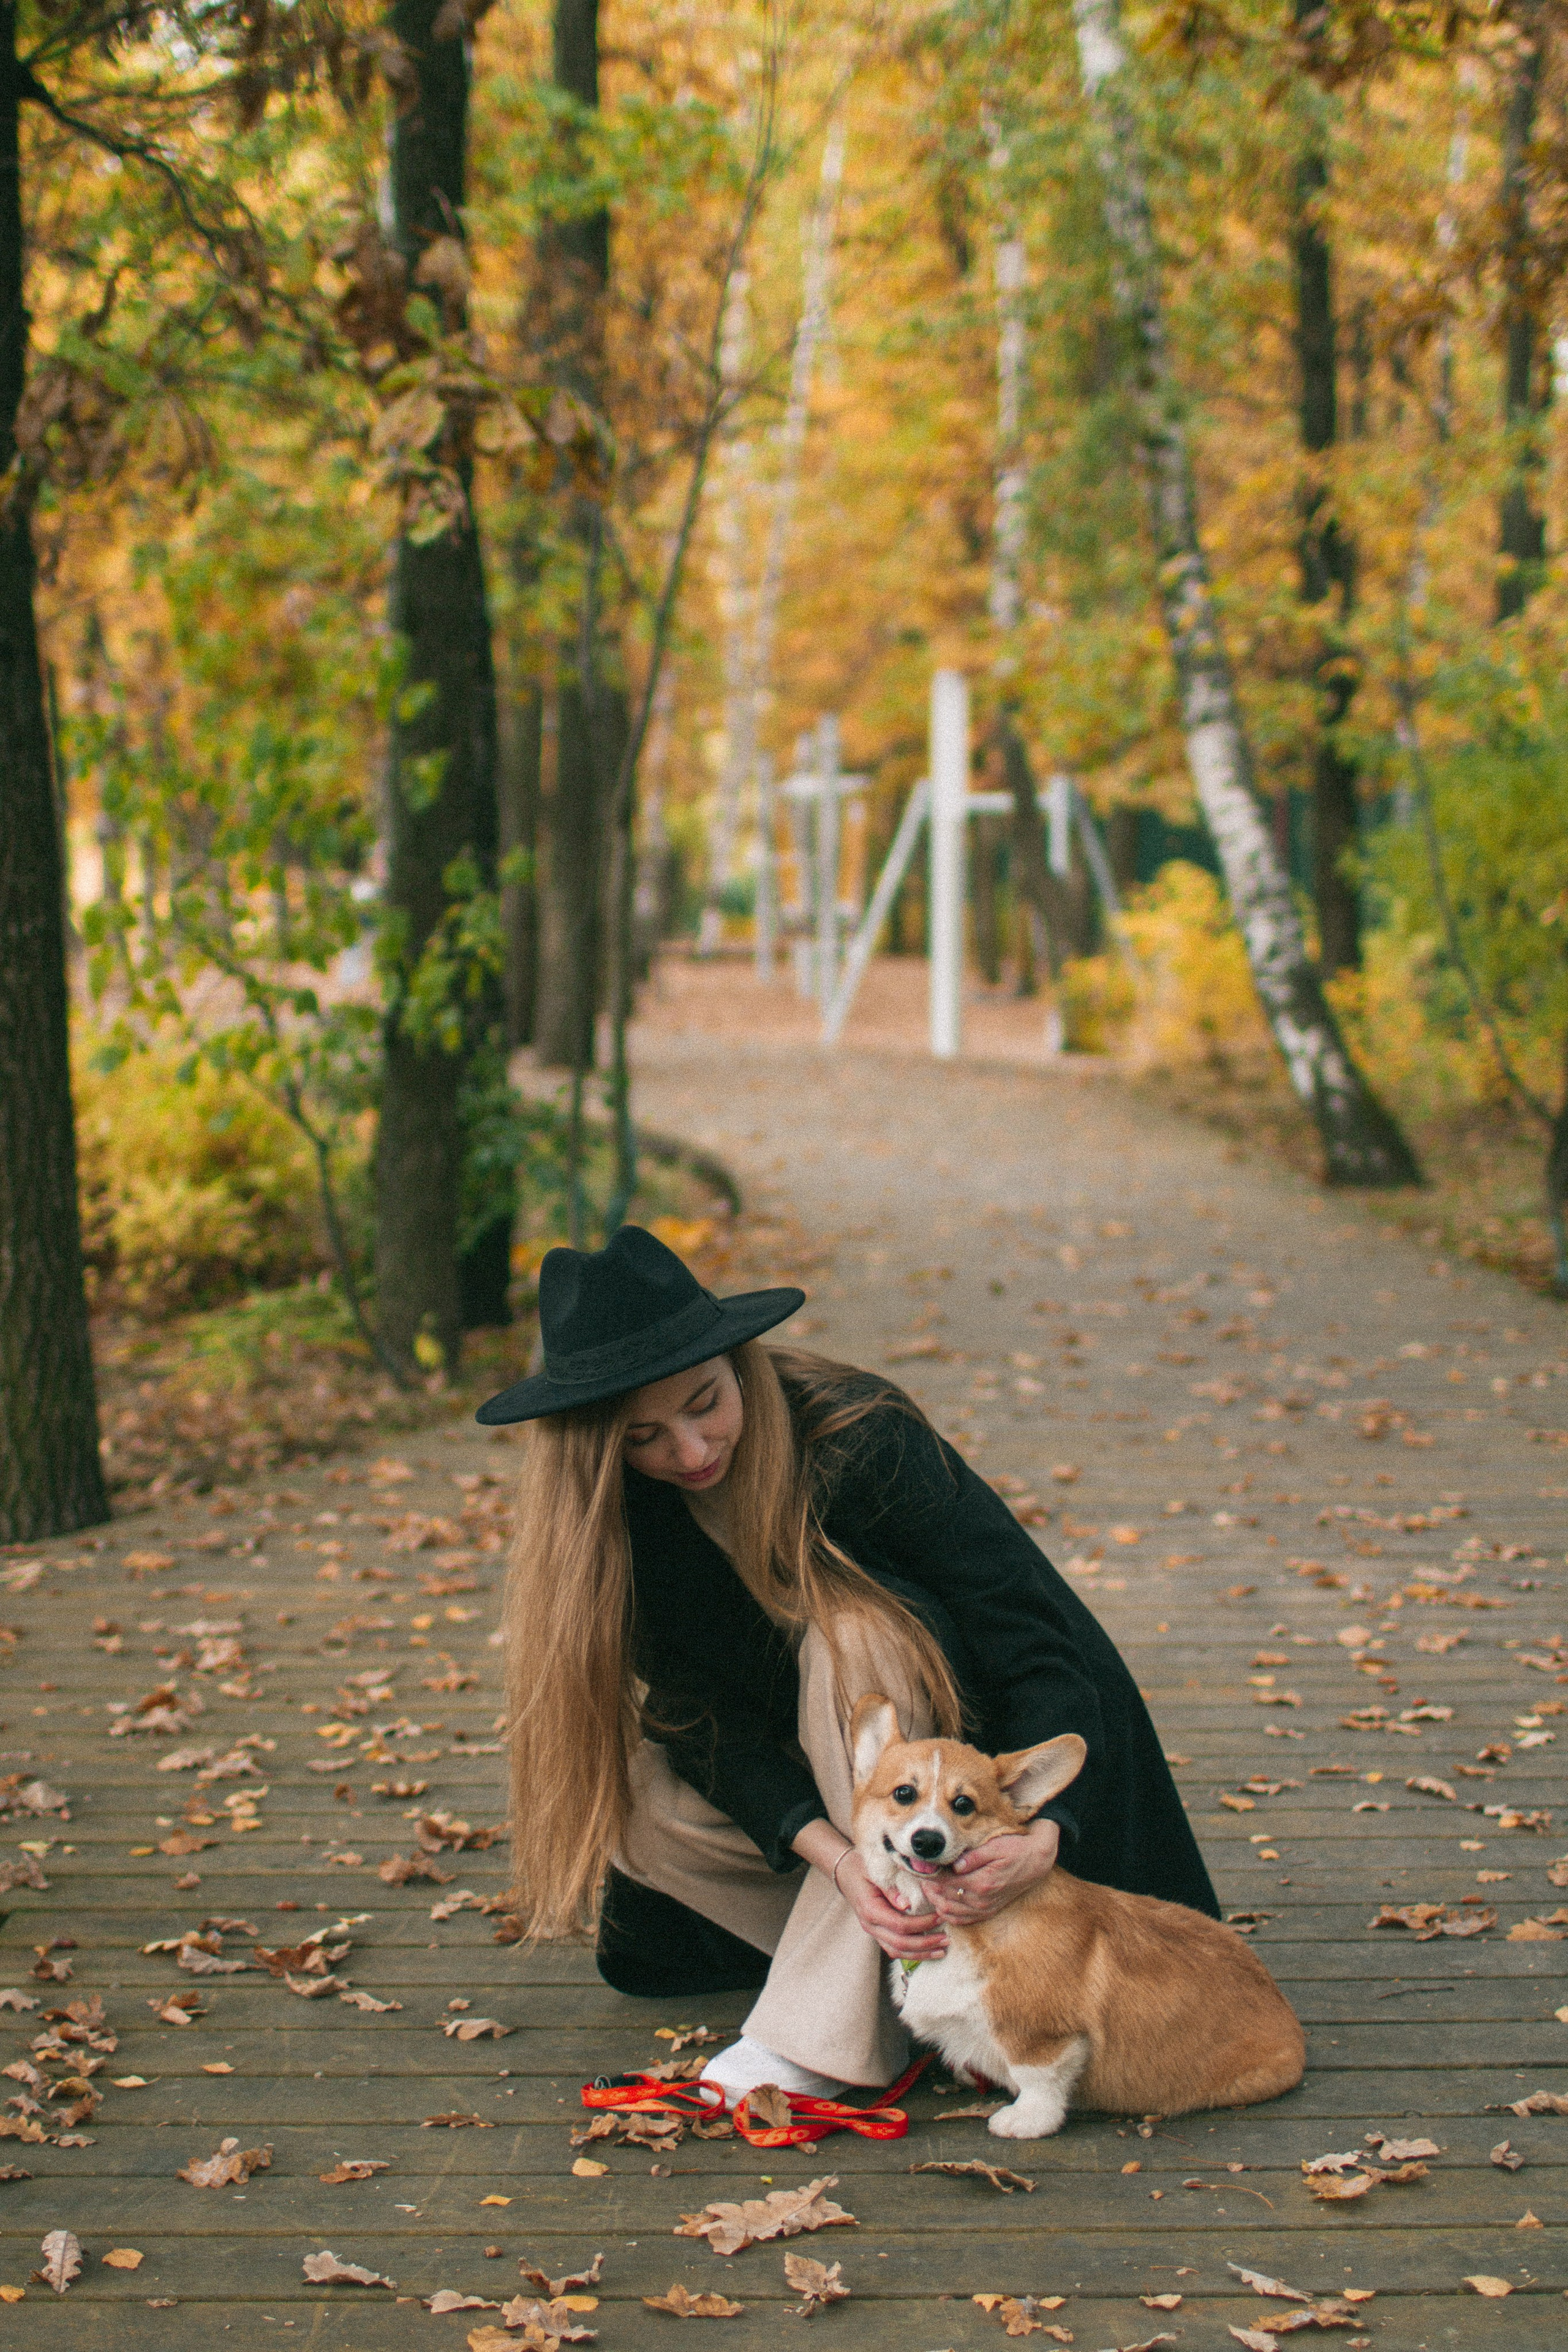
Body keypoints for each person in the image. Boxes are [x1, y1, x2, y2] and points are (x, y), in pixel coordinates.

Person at [481, 1224, 1218, 2107]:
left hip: (964, 1793)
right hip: (859, 1827)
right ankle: (893, 1967)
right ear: (600, 1448)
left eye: (705, 1403)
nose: (689, 1451)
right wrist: (839, 1866)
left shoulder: (860, 1435)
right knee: (635, 1797)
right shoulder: (625, 1521)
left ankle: (826, 2042)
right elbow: (700, 1720)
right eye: (643, 1437)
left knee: (852, 1638)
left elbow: (1031, 1634)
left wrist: (1046, 1834)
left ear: (739, 1362)